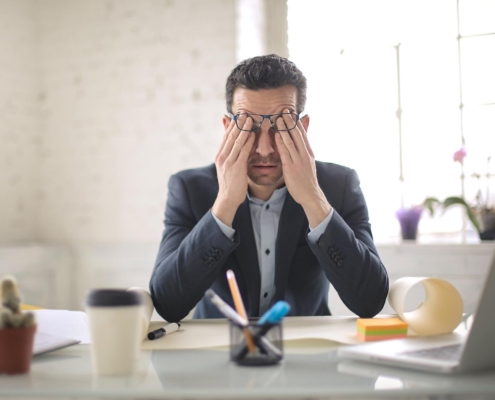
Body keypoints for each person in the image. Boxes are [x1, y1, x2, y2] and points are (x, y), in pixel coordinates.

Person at [150, 55, 389, 322]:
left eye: (281, 125)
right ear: (228, 128)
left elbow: (370, 301)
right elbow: (167, 303)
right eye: (248, 126)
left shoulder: (339, 185)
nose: (265, 149)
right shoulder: (189, 189)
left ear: (303, 128)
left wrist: (313, 199)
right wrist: (225, 203)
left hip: (308, 349)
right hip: (217, 349)